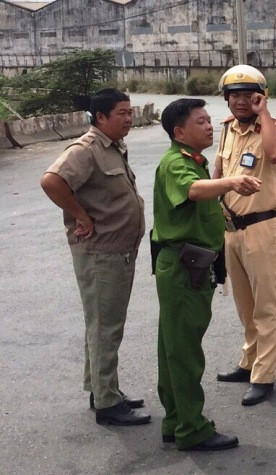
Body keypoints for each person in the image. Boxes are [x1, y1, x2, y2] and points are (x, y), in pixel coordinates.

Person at [153, 98, 260, 451]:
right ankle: (192, 428)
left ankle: (176, 420)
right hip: (185, 268)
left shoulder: (192, 161)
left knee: (173, 348)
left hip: (187, 265)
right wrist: (232, 181)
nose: (209, 126)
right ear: (179, 131)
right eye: (201, 121)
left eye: (209, 120)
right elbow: (194, 191)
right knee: (184, 351)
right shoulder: (176, 164)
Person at [40, 88, 150, 426]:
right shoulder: (87, 149)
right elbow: (51, 181)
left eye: (130, 112)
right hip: (101, 254)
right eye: (121, 113)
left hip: (116, 251)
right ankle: (106, 403)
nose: (129, 118)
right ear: (100, 117)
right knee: (106, 327)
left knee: (102, 325)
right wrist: (81, 216)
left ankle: (104, 390)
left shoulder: (112, 147)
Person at [213, 65, 276, 406]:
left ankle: (264, 375)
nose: (240, 101)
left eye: (248, 95)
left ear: (261, 97)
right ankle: (249, 362)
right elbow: (218, 171)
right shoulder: (228, 130)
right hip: (231, 229)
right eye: (234, 95)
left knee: (267, 306)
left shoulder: (274, 129)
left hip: (262, 227)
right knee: (245, 304)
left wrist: (265, 116)